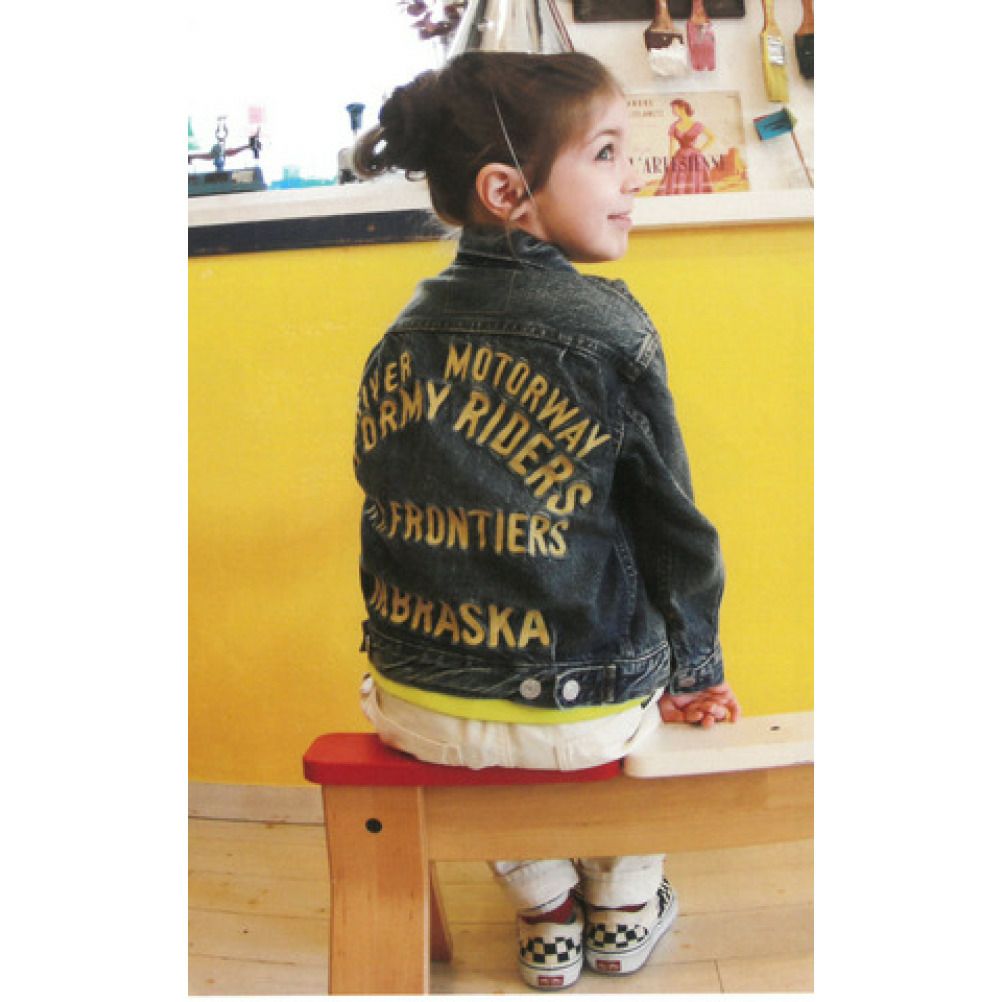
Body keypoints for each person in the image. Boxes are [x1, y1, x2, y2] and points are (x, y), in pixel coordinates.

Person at [351, 50, 740, 991]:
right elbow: (675, 533)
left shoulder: (400, 334)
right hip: (582, 708)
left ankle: (545, 911)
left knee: (482, 730)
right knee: (642, 698)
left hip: (417, 703)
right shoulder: (608, 328)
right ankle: (624, 905)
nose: (632, 179)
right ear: (506, 191)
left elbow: (384, 507)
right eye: (605, 153)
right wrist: (697, 672)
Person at [656, 98, 715, 196]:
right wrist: (671, 161)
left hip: (695, 158)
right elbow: (672, 146)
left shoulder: (697, 125)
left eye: (674, 108)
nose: (673, 111)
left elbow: (712, 137)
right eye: (672, 109)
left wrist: (701, 149)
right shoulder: (673, 126)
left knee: (695, 182)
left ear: (682, 108)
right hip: (679, 157)